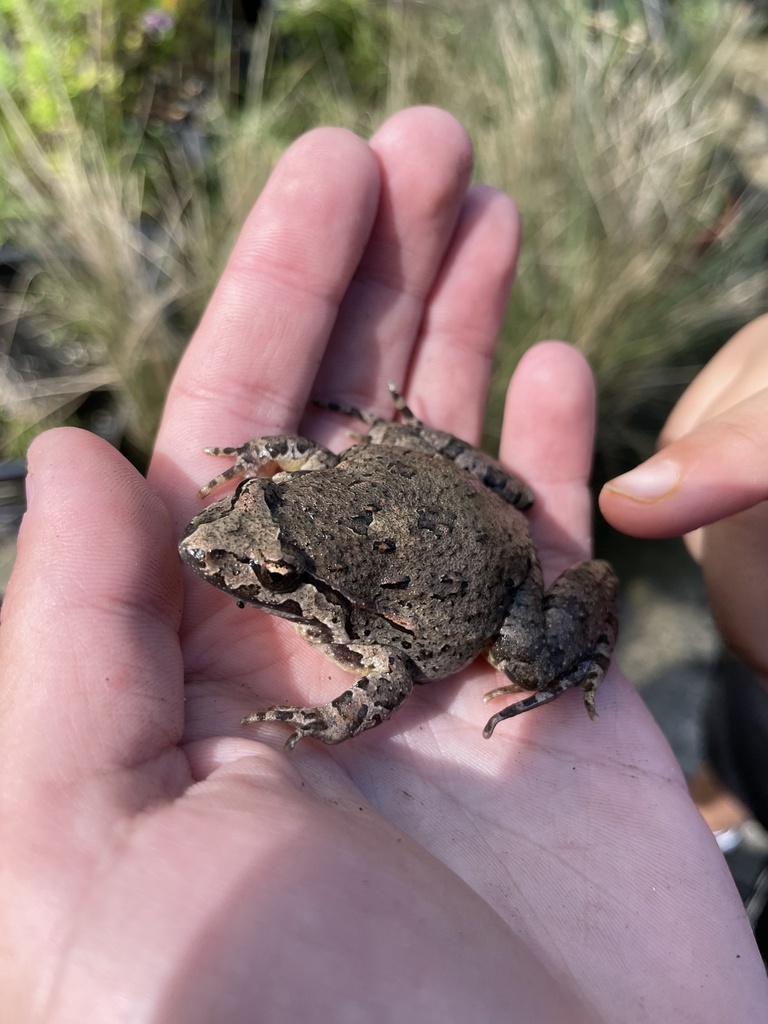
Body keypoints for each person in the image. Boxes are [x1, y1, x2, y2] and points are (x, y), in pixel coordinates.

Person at [0, 107, 765, 1023]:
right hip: (461, 496)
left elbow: (393, 668)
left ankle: (652, 728)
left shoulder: (342, 595)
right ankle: (734, 800)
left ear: (306, 589)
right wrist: (263, 477)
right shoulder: (289, 484)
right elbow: (293, 460)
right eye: (248, 500)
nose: (215, 550)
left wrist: (326, 720)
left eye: (270, 578)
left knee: (523, 658)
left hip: (502, 581)